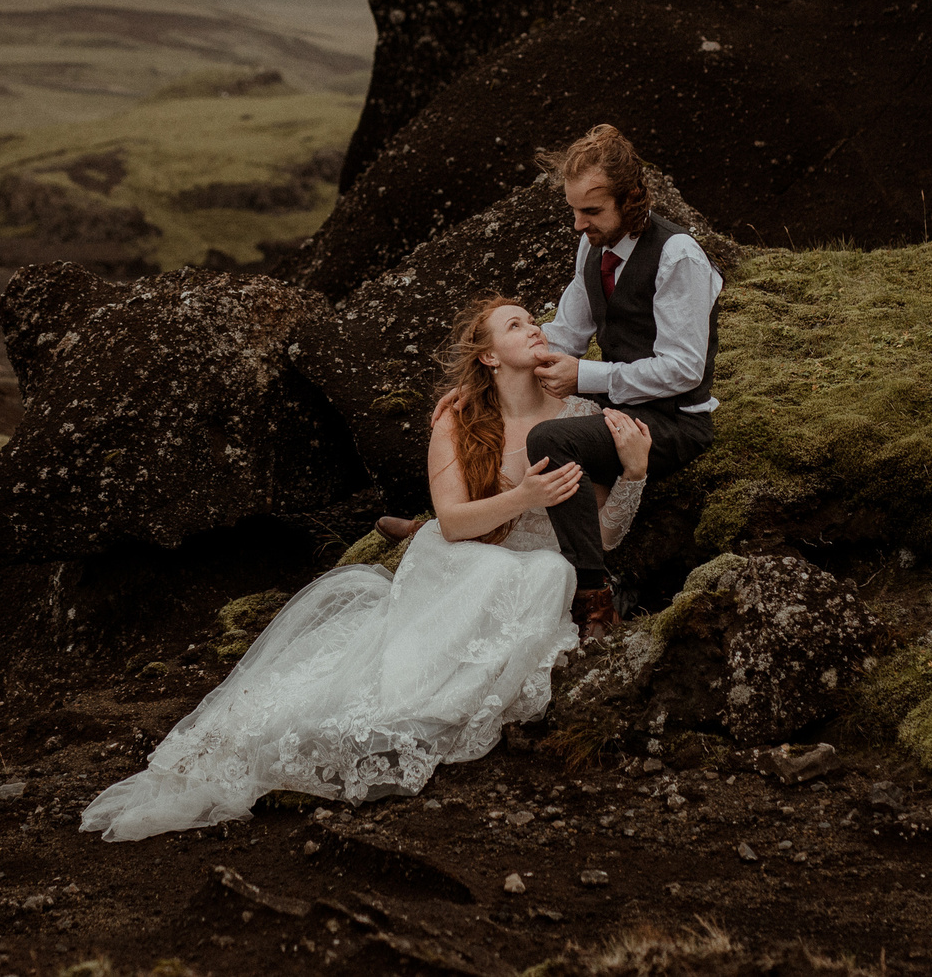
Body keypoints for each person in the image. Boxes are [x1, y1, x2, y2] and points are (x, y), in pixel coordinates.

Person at [79, 295, 650, 842]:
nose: (535, 328)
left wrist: (633, 473)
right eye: (516, 324)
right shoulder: (458, 419)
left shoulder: (581, 416)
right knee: (474, 585)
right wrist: (525, 495)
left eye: (534, 320)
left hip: (535, 570)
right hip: (463, 557)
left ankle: (425, 698)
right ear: (489, 356)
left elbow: (600, 537)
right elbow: (452, 522)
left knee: (547, 573)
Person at [528, 123, 723, 641]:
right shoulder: (593, 247)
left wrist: (585, 377)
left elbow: (683, 368)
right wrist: (494, 374)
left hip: (674, 421)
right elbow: (565, 334)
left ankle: (595, 598)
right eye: (573, 210)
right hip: (618, 408)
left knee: (550, 439)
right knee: (509, 411)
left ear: (631, 199)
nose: (578, 224)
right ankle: (477, 530)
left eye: (591, 212)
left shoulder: (678, 255)